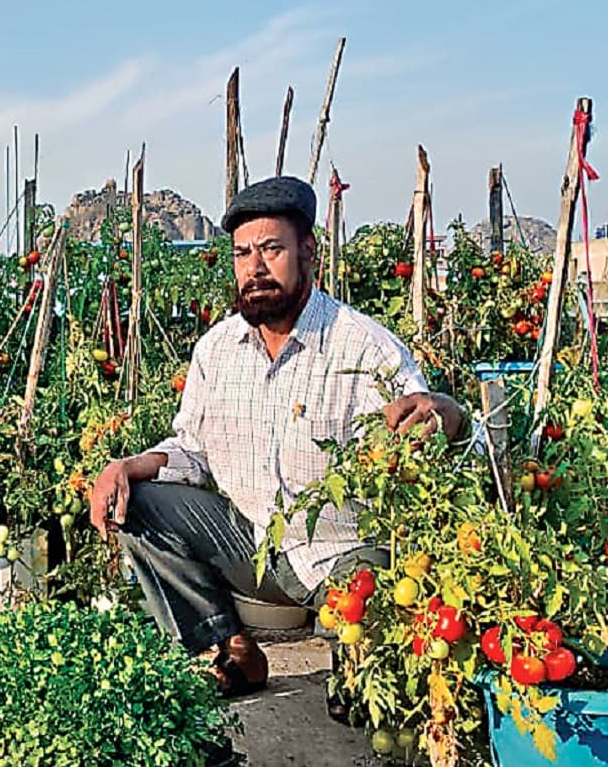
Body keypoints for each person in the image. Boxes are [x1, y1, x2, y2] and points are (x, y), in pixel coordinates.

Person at [89, 175, 468, 712]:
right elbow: (191, 450)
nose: (255, 268)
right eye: (243, 254)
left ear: (307, 251)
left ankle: (357, 668)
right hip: (251, 543)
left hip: (343, 555)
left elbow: (430, 418)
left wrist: (444, 414)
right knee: (139, 504)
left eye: (271, 249)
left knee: (360, 706)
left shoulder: (362, 345)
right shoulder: (216, 350)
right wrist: (125, 466)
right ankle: (232, 649)